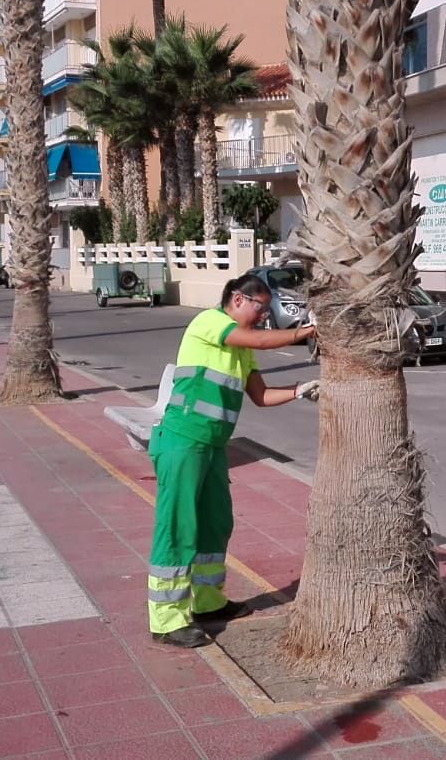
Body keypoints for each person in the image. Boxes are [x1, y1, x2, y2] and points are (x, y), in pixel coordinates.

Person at [147, 273, 319, 648]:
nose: (263, 316)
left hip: (212, 446)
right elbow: (258, 337)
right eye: (261, 308)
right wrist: (304, 332)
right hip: (182, 440)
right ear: (238, 299)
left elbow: (259, 396)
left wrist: (298, 390)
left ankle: (208, 603)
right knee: (178, 528)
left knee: (214, 523)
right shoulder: (210, 322)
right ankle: (167, 620)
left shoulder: (242, 350)